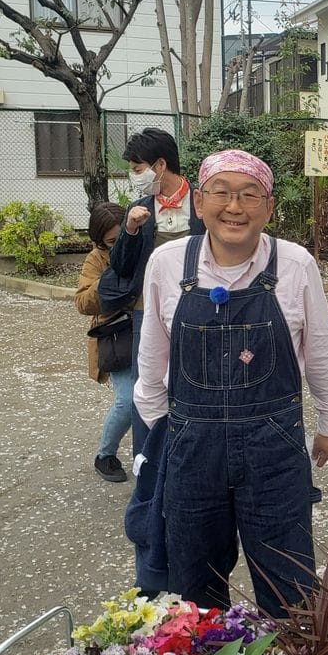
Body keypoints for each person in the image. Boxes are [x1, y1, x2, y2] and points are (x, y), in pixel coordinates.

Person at [134, 149, 328, 614]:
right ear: (199, 203)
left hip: (274, 445)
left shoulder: (294, 264)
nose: (235, 207)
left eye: (250, 195)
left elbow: (321, 349)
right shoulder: (167, 263)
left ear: (268, 208)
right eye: (222, 193)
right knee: (193, 579)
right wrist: (161, 427)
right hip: (191, 447)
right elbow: (151, 355)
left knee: (287, 577)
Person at [107, 128, 204, 457]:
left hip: (200, 307)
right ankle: (146, 462)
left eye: (137, 169)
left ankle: (192, 455)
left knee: (197, 379)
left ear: (160, 165)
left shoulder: (203, 201)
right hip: (146, 309)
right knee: (146, 386)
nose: (134, 177)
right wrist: (131, 229)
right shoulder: (139, 207)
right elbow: (120, 265)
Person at [75, 202, 132, 483]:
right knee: (129, 400)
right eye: (112, 242)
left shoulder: (146, 248)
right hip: (118, 335)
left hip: (153, 332)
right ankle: (105, 455)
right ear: (99, 240)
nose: (119, 245)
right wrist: (111, 279)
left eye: (124, 237)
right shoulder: (96, 259)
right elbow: (83, 302)